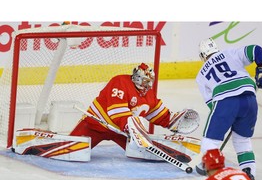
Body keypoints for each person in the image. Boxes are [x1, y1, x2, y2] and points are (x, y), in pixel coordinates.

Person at [70, 62, 199, 160]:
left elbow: (158, 114)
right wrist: (135, 130)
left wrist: (173, 122)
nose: (148, 86)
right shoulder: (120, 82)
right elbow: (116, 112)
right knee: (72, 150)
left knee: (146, 153)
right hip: (95, 125)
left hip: (122, 132)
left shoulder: (149, 95)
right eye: (145, 81)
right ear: (137, 78)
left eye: (150, 82)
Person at [195, 38, 262, 180]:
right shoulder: (230, 53)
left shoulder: (200, 75)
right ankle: (249, 176)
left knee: (210, 141)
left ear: (203, 56)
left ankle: (218, 178)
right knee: (242, 140)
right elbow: (256, 50)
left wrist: (228, 117)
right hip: (250, 100)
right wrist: (261, 69)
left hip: (225, 102)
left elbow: (212, 104)